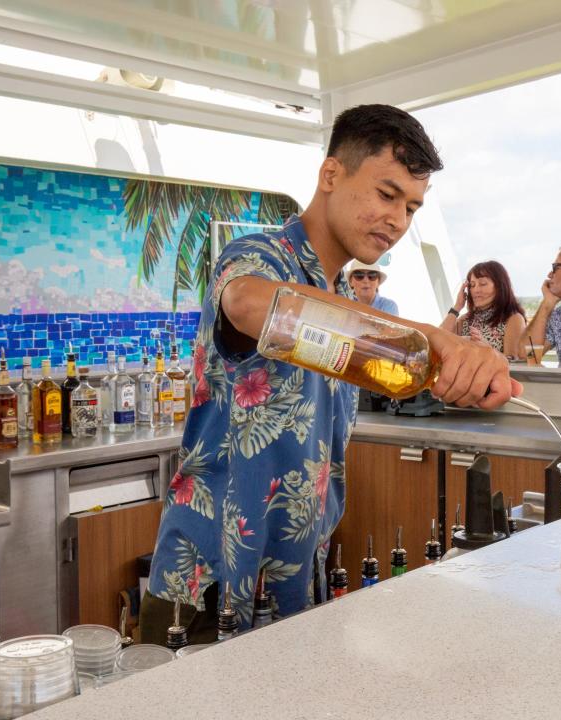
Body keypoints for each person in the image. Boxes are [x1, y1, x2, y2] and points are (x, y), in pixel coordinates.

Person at [141, 104, 518, 643]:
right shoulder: (258, 256)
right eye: (387, 195)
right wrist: (430, 334)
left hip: (295, 587)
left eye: (411, 207)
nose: (398, 221)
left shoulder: (342, 296)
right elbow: (249, 305)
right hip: (207, 590)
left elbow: (399, 369)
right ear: (331, 174)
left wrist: (460, 372)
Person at [440, 261, 526, 356]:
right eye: (472, 285)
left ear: (499, 286)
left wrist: (488, 349)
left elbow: (513, 364)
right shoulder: (466, 319)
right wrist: (457, 307)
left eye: (483, 284)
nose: (476, 290)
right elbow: (438, 340)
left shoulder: (514, 319)